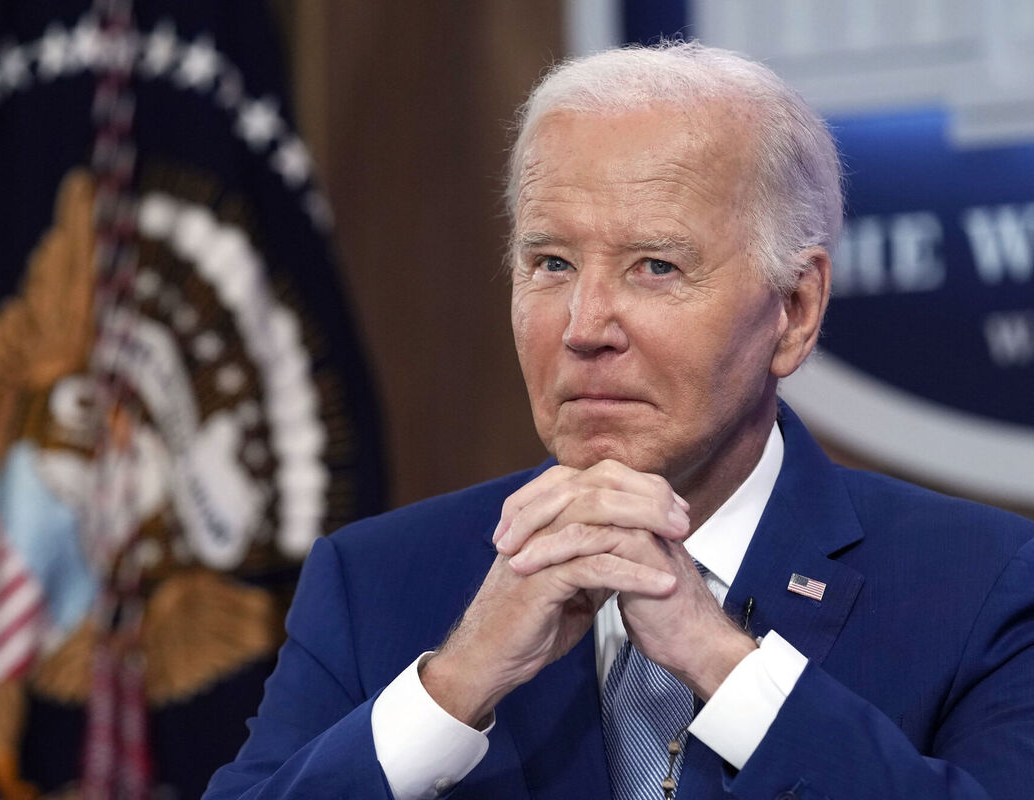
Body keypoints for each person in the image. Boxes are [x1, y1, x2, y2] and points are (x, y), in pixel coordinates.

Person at [204, 42, 1034, 800]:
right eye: (551, 263)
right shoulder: (375, 585)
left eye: (656, 267)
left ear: (794, 309)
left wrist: (722, 665)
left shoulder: (981, 587)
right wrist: (453, 688)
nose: (585, 325)